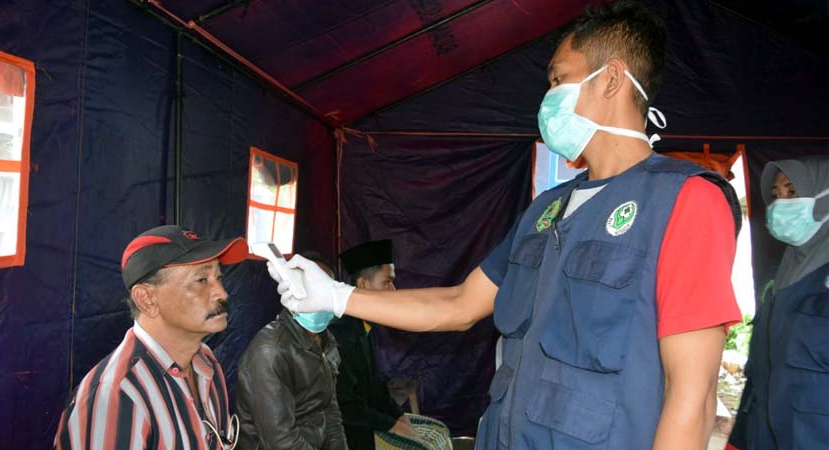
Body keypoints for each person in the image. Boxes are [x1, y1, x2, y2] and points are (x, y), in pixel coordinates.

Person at [274, 1, 743, 449]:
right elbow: (460, 304)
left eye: (559, 80)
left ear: (612, 80)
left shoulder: (684, 200)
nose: (547, 99)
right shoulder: (547, 209)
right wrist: (337, 296)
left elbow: (693, 396)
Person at [55, 225, 249, 450]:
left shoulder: (206, 363)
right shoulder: (117, 395)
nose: (222, 293)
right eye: (201, 281)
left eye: (219, 277)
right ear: (146, 299)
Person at [727, 158, 829, 450]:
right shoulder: (776, 279)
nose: (781, 203)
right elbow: (761, 372)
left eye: (792, 192)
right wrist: (739, 439)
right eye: (776, 194)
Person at [235, 253, 347, 450]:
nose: (319, 298)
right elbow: (281, 441)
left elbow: (330, 412)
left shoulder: (327, 341)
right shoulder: (271, 351)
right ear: (292, 291)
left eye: (325, 289)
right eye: (310, 290)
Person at [328, 240, 419, 450]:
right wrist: (391, 425)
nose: (394, 291)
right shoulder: (341, 334)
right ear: (363, 285)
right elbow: (345, 406)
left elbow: (374, 387)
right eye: (387, 282)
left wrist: (398, 417)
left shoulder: (364, 326)